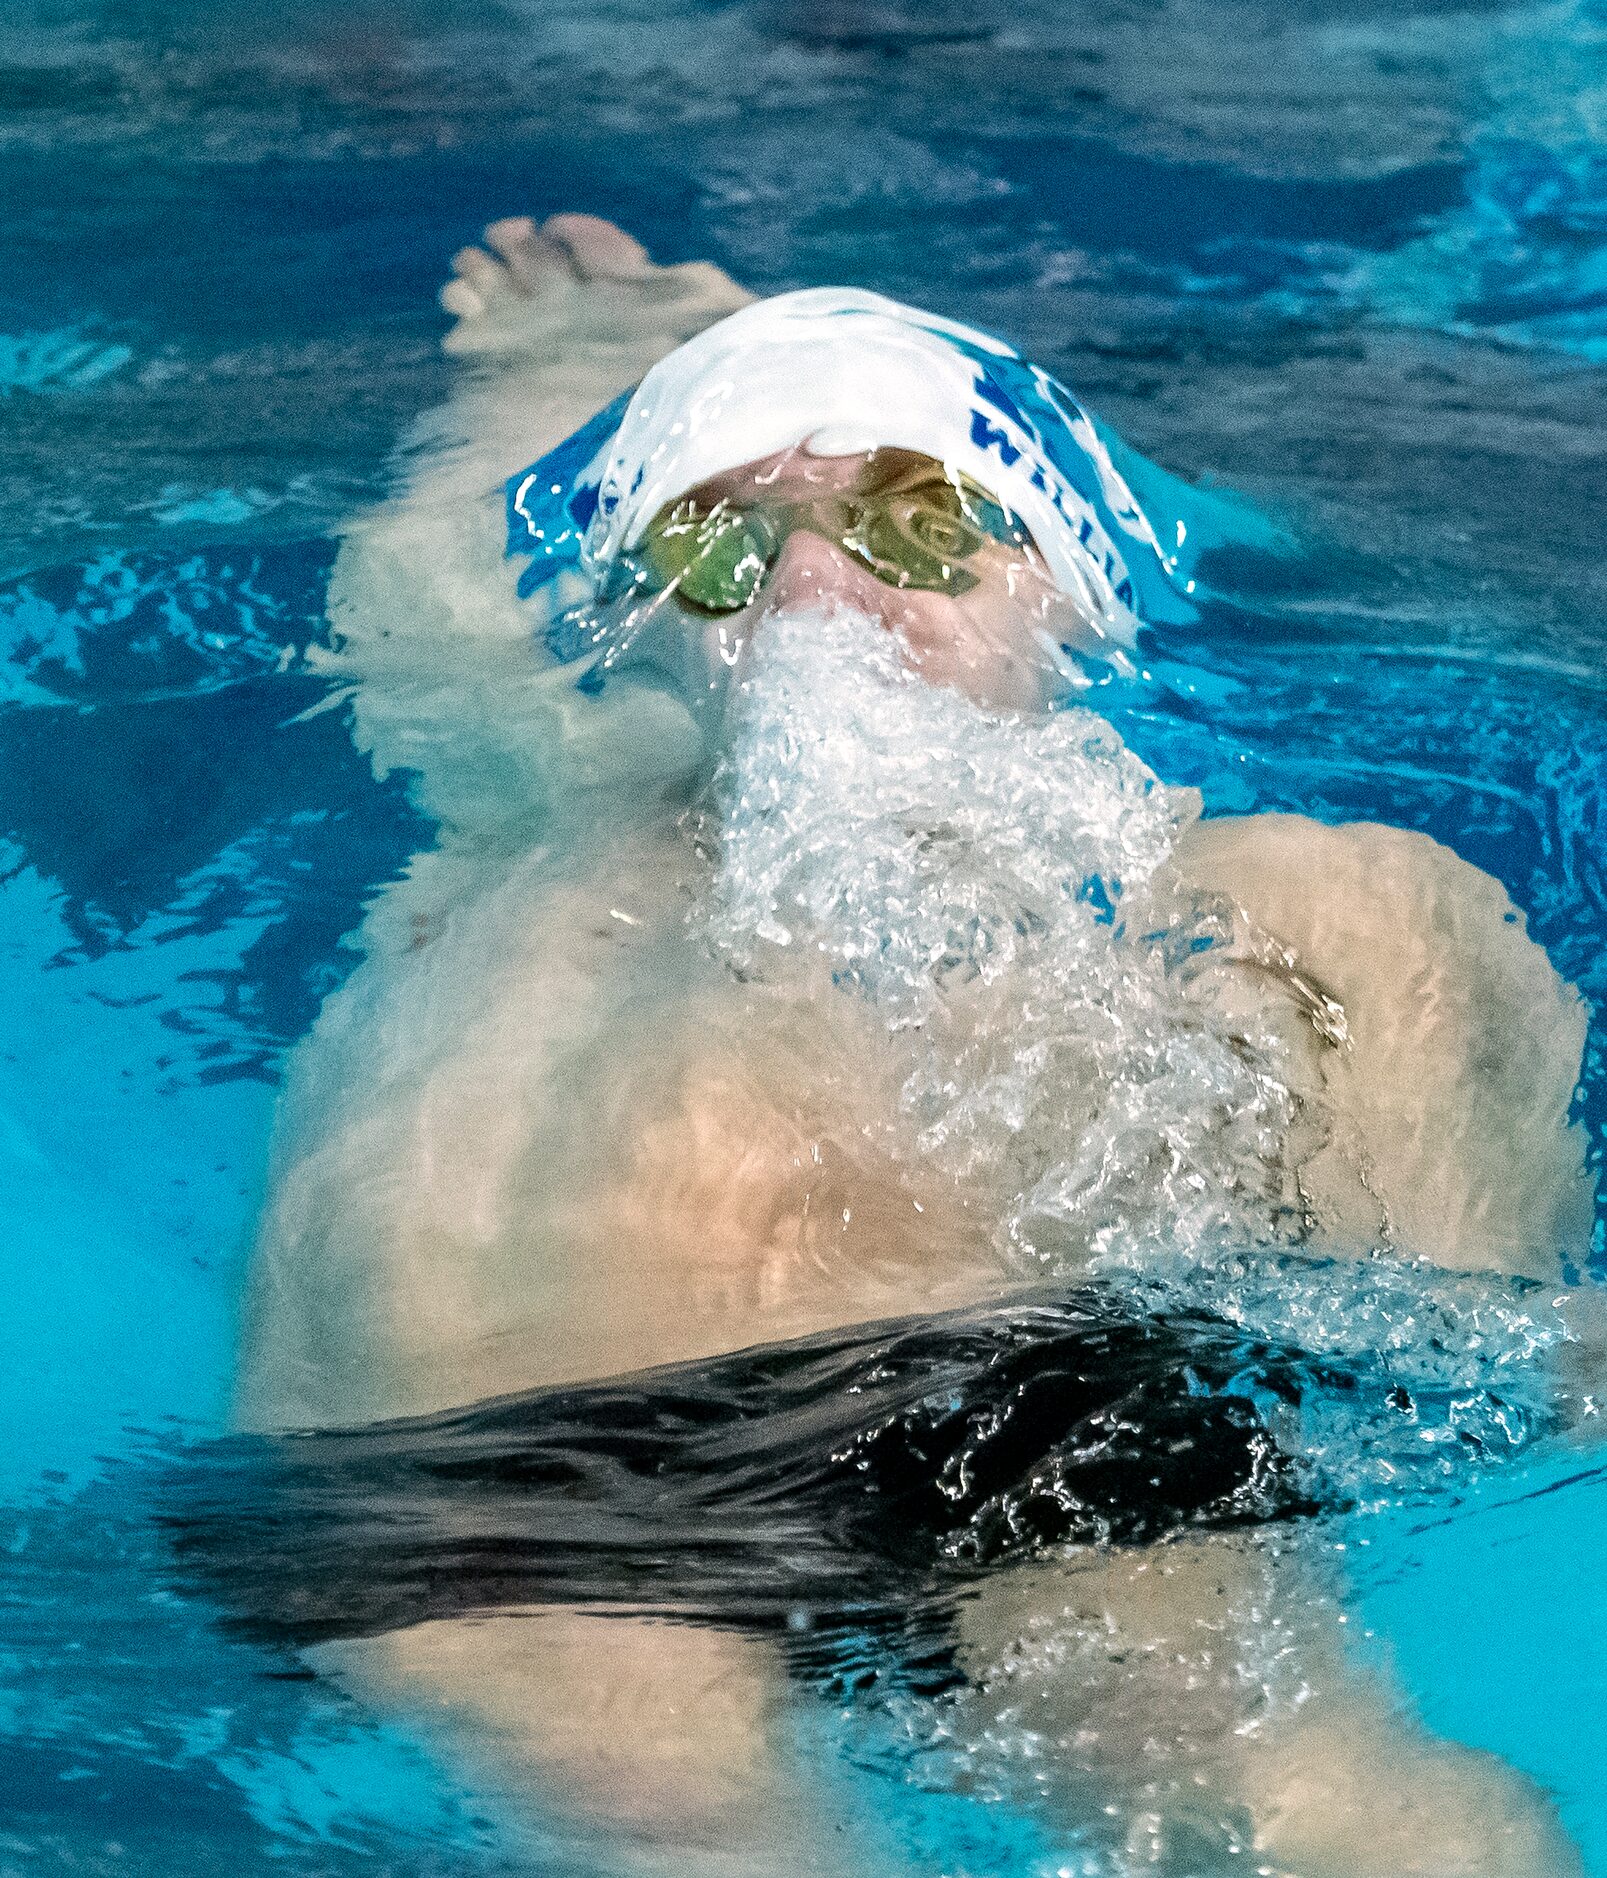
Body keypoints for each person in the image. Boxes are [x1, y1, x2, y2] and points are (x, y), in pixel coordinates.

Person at [236, 214, 1592, 1876]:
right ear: (650, 632)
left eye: (918, 525)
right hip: (504, 1485)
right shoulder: (538, 812)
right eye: (725, 552)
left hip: (1000, 1412)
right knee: (695, 1834)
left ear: (1063, 590)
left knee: (1337, 1815)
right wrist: (553, 378)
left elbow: (1450, 1295)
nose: (817, 593)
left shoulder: (1314, 901)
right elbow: (424, 611)